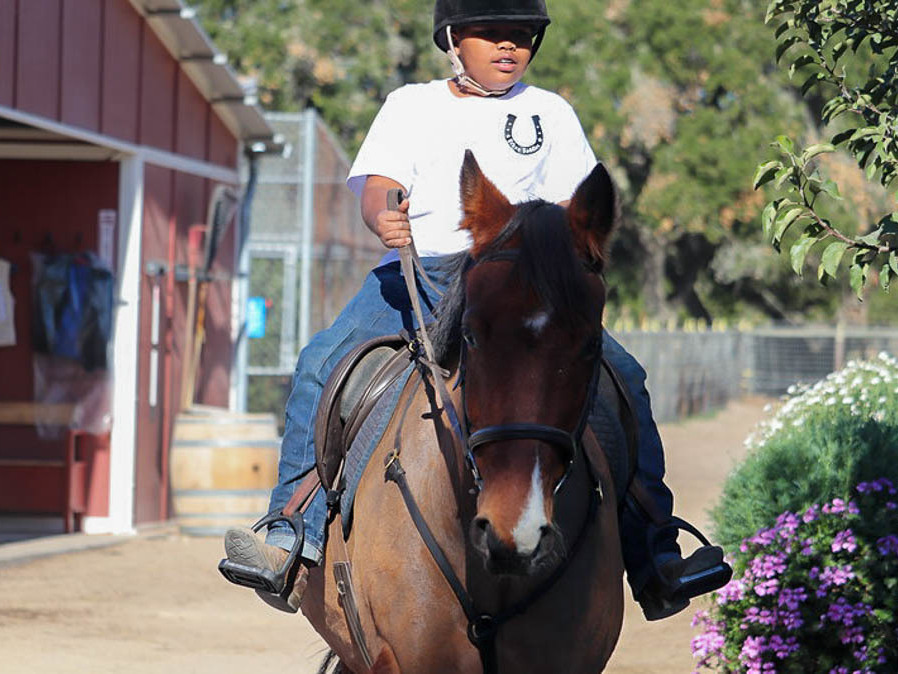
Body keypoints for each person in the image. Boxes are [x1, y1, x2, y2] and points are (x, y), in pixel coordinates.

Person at [222, 0, 730, 621]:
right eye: (493, 35)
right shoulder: (410, 105)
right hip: (417, 275)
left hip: (520, 284)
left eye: (522, 37)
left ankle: (655, 554)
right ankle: (289, 535)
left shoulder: (552, 113)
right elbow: (379, 182)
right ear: (454, 38)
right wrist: (383, 213)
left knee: (625, 379)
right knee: (321, 361)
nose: (509, 47)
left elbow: (576, 208)